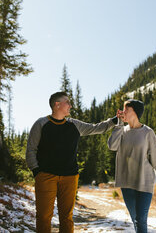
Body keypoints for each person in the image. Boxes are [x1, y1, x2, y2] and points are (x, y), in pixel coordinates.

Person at [26, 91, 118, 233]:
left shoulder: (74, 125)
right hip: (45, 177)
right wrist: (37, 171)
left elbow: (95, 128)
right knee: (44, 217)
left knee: (67, 217)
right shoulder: (41, 124)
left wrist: (114, 120)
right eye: (67, 102)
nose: (70, 105)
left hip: (70, 177)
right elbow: (31, 149)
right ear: (57, 105)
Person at [108, 99, 156, 233]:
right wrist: (118, 125)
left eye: (126, 110)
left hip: (144, 182)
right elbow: (112, 146)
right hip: (126, 183)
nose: (123, 112)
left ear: (135, 112)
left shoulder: (148, 133)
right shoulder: (122, 131)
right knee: (135, 219)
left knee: (141, 220)